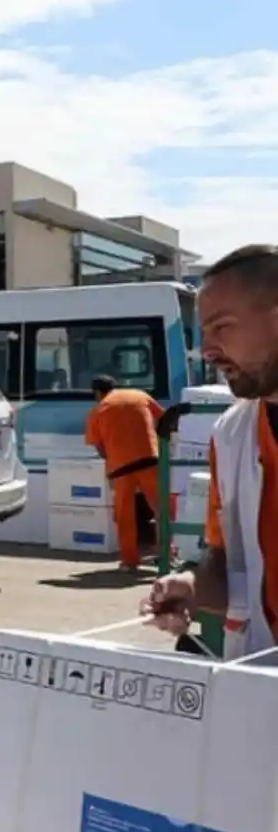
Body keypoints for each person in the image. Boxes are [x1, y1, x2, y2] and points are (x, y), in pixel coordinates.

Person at [144, 244, 278, 658]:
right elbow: (231, 566)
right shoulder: (233, 435)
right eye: (204, 332)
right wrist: (192, 586)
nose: (207, 350)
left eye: (222, 327)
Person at [84, 374, 166, 570]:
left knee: (125, 515)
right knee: (161, 509)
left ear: (97, 392)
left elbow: (99, 447)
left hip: (121, 468)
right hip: (150, 460)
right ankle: (166, 555)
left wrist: (112, 457)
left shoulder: (98, 409)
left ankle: (130, 561)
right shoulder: (140, 396)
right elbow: (164, 419)